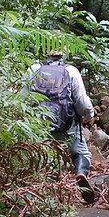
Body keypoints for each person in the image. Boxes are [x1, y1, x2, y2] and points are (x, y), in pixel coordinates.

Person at [24, 50, 96, 199]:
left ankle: (50, 193)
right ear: (64, 52)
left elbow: (22, 99)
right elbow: (82, 102)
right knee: (81, 151)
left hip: (40, 125)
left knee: (48, 157)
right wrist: (89, 115)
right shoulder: (70, 71)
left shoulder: (33, 69)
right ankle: (81, 172)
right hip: (67, 125)